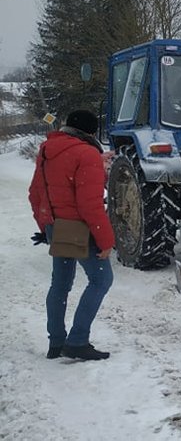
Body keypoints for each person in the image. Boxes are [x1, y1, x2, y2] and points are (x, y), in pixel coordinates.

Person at [28, 110, 115, 361]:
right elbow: (91, 205)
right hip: (81, 229)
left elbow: (35, 194)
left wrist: (46, 227)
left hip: (58, 227)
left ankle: (56, 343)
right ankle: (77, 341)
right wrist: (106, 241)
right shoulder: (87, 154)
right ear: (91, 132)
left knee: (60, 285)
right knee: (101, 281)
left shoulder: (47, 150)